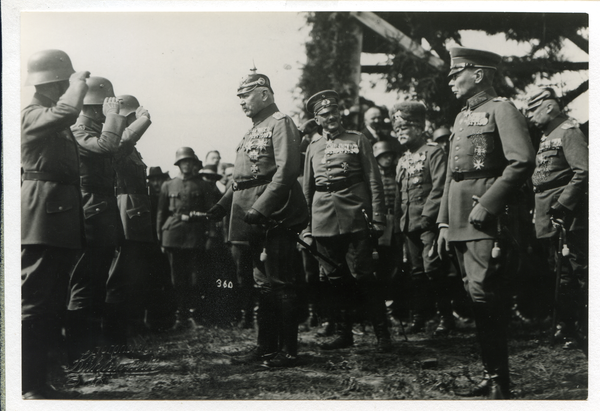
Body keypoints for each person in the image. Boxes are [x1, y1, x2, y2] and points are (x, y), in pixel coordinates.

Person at [437, 47, 535, 399]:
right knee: (475, 296)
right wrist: (444, 222)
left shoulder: (502, 110)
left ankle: (500, 382)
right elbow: (452, 174)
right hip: (460, 214)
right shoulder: (462, 117)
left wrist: (490, 205)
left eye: (456, 73)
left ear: (478, 74)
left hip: (483, 215)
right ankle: (490, 373)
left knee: (485, 295)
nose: (450, 80)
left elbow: (521, 161)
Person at [207, 71, 308, 368]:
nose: (241, 102)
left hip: (275, 213)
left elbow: (287, 171)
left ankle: (288, 351)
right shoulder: (252, 130)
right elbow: (241, 180)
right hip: (250, 214)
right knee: (262, 284)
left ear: (264, 94)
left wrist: (263, 207)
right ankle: (265, 347)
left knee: (280, 282)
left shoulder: (281, 123)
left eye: (246, 95)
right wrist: (223, 205)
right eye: (238, 97)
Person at [21, 49, 89, 399]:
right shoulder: (32, 115)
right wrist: (78, 86)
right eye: (65, 81)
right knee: (36, 301)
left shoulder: (48, 116)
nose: (68, 86)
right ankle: (30, 385)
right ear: (55, 82)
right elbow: (68, 111)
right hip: (42, 219)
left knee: (51, 302)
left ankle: (43, 381)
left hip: (57, 218)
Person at [303, 90, 392, 353]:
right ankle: (344, 332)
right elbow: (308, 190)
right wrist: (308, 227)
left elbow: (374, 180)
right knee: (334, 278)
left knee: (364, 275)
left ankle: (381, 333)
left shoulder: (358, 139)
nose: (331, 118)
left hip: (354, 216)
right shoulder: (312, 147)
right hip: (322, 220)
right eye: (324, 115)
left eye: (334, 112)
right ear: (317, 120)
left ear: (340, 113)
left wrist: (378, 218)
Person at [67, 77, 127, 363]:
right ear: (95, 107)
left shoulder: (96, 129)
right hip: (90, 210)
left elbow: (116, 144)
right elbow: (106, 148)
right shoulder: (80, 130)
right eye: (105, 106)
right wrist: (114, 116)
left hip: (100, 211)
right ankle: (79, 351)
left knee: (97, 279)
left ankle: (89, 349)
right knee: (86, 280)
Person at [525, 86, 588, 353]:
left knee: (577, 272)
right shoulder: (546, 135)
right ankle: (567, 326)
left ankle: (583, 330)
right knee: (559, 272)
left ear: (549, 107)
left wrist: (563, 204)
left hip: (568, 215)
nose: (528, 116)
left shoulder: (568, 131)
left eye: (532, 109)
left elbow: (583, 171)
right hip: (549, 213)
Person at [391, 102, 452, 336]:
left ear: (419, 127)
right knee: (416, 272)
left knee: (433, 269)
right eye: (397, 130)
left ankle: (446, 317)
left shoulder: (434, 152)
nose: (400, 133)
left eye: (404, 128)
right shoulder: (403, 159)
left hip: (429, 223)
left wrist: (429, 216)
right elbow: (399, 195)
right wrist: (399, 225)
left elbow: (440, 187)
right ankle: (419, 317)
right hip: (409, 224)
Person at [105, 94, 153, 345]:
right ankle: (116, 337)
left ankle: (129, 330)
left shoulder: (131, 148)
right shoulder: (119, 145)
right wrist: (142, 123)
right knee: (120, 275)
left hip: (136, 218)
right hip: (125, 216)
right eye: (131, 117)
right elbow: (119, 144)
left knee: (133, 274)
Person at [157, 147, 212, 329]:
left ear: (194, 164)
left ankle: (194, 314)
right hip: (172, 234)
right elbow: (161, 212)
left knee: (196, 277)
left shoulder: (203, 185)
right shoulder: (168, 185)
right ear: (178, 164)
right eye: (183, 162)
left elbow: (211, 212)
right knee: (176, 278)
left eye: (189, 162)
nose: (186, 165)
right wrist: (160, 236)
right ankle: (180, 316)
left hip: (195, 234)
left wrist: (210, 234)